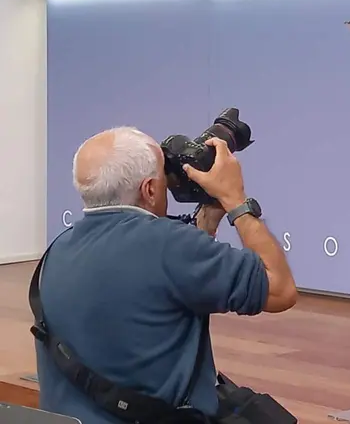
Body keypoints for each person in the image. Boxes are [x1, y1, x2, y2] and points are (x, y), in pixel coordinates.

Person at [34, 126, 297, 424]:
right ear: (149, 189)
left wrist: (209, 217)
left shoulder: (56, 253)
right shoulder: (171, 247)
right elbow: (279, 288)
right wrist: (234, 199)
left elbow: (162, 272)